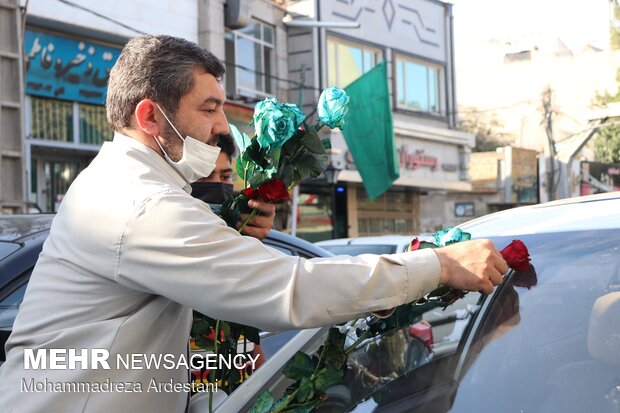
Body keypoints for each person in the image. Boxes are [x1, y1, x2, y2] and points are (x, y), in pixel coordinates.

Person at [0, 35, 508, 413]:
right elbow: (290, 288)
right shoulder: (137, 203)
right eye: (210, 108)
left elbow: (157, 347)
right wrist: (437, 265)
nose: (222, 127)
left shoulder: (130, 188)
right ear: (151, 117)